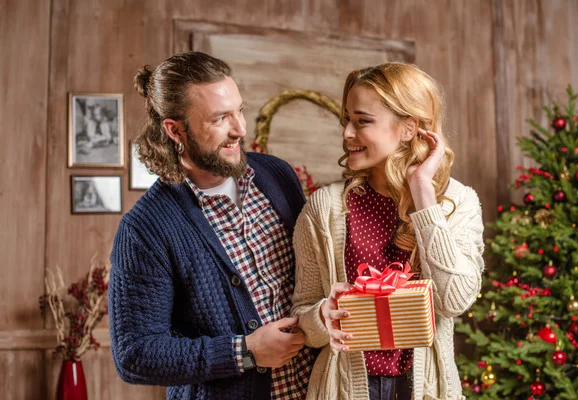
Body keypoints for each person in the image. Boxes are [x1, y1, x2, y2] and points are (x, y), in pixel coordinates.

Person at [108, 51, 317, 400]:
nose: (240, 129)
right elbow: (135, 355)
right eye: (220, 118)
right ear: (175, 130)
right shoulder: (146, 229)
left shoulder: (277, 175)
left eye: (239, 110)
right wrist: (244, 351)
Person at [291, 63, 485, 400]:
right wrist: (321, 318)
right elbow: (302, 313)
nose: (347, 134)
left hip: (426, 388)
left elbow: (454, 300)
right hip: (342, 388)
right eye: (346, 120)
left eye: (362, 121)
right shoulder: (324, 207)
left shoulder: (459, 202)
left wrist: (423, 193)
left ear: (409, 128)